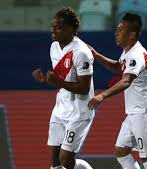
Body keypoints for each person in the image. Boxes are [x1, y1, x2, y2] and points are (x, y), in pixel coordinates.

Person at [88, 13, 147, 169]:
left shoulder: (136, 54)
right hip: (135, 112)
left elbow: (126, 80)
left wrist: (103, 95)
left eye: (120, 30)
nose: (116, 33)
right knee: (121, 151)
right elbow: (119, 68)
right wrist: (97, 56)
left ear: (132, 34)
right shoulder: (128, 53)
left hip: (145, 111)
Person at [32, 7, 94, 169]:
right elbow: (62, 79)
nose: (53, 30)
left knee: (66, 159)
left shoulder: (81, 53)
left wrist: (57, 82)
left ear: (71, 29)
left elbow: (84, 88)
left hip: (80, 111)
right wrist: (45, 80)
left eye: (58, 27)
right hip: (60, 109)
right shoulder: (54, 47)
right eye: (52, 26)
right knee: (55, 160)